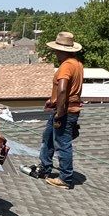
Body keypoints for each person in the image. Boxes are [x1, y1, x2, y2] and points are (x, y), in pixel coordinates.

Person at [36, 29, 83, 187]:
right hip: (64, 108)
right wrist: (53, 100)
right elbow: (65, 90)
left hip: (65, 111)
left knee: (63, 144)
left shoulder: (66, 66)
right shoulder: (77, 64)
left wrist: (60, 112)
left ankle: (65, 178)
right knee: (48, 137)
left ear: (59, 50)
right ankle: (45, 168)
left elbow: (63, 89)